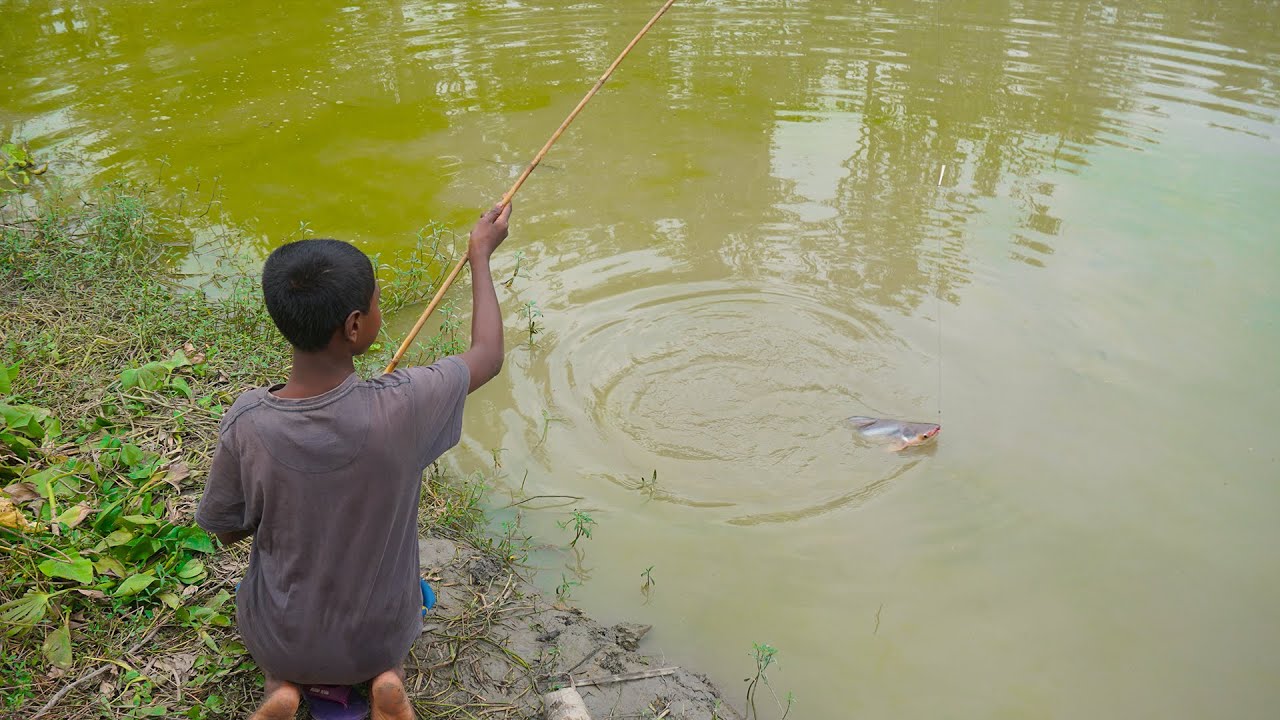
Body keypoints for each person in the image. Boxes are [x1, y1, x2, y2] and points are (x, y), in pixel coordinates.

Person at [195, 203, 513, 720]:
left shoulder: (248, 419)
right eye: (378, 303)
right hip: (377, 637)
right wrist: (479, 254)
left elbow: (226, 530)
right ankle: (388, 678)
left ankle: (282, 685)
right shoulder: (405, 402)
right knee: (396, 616)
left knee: (271, 614)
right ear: (355, 325)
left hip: (283, 636)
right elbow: (488, 354)